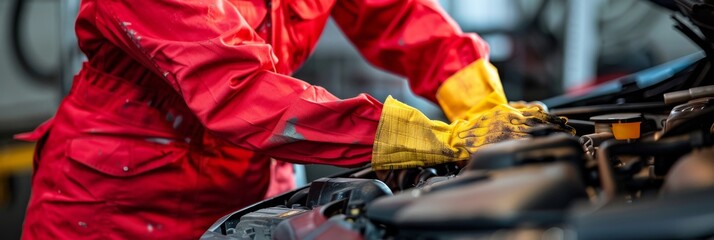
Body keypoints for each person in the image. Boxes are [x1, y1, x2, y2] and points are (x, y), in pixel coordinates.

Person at [16, 0, 572, 239]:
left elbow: (401, 15)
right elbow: (237, 90)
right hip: (122, 200)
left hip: (252, 179)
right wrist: (430, 139)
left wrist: (482, 107)